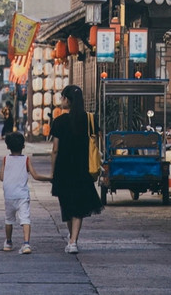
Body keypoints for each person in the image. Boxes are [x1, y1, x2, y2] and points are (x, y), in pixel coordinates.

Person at [49, 84, 102, 254]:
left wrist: (52, 170)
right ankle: (73, 240)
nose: (61, 100)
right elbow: (96, 141)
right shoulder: (89, 119)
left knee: (67, 204)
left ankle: (72, 239)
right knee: (78, 206)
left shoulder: (59, 121)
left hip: (63, 168)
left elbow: (55, 149)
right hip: (82, 168)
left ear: (67, 100)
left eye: (62, 97)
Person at [0, 131, 50, 254]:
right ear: (23, 146)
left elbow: (1, 177)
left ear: (8, 147)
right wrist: (50, 178)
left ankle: (9, 242)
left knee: (9, 220)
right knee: (25, 219)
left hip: (9, 195)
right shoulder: (26, 160)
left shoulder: (5, 159)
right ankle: (26, 244)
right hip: (22, 196)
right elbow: (36, 176)